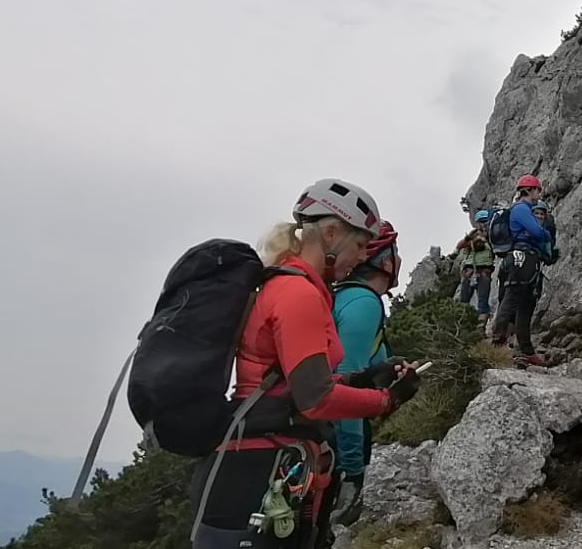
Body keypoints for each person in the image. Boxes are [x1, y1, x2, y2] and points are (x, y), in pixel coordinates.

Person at [190, 179, 422, 549]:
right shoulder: (298, 293)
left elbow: (293, 382)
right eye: (359, 245)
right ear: (331, 234)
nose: (363, 257)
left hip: (259, 468)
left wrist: (362, 379)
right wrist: (386, 400)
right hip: (259, 474)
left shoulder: (296, 286)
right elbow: (315, 397)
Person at [320, 221, 403, 537]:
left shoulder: (344, 296)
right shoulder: (364, 303)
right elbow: (346, 390)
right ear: (386, 261)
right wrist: (353, 471)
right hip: (336, 452)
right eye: (396, 253)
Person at [490, 175, 551, 365]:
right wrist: (545, 233)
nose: (538, 194)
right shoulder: (521, 209)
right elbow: (538, 232)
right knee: (512, 298)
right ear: (530, 190)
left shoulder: (522, 209)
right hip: (522, 258)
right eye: (537, 190)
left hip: (526, 259)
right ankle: (497, 345)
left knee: (526, 303)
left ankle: (526, 350)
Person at [455, 211, 495, 321]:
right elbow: (459, 246)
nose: (484, 224)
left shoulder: (492, 235)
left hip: (484, 271)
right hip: (470, 272)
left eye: (485, 221)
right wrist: (469, 239)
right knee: (464, 300)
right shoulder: (473, 237)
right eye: (481, 222)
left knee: (483, 300)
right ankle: (463, 321)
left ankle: (481, 324)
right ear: (477, 223)